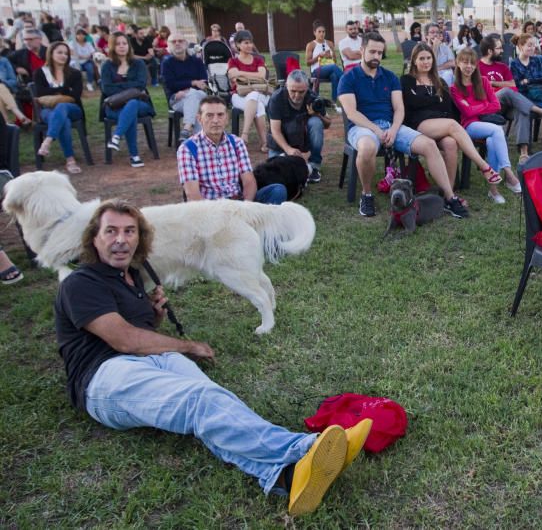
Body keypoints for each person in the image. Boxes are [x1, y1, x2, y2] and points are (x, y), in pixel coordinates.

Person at [54, 200, 371, 516]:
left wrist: (154, 315)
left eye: (129, 231)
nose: (121, 239)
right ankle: (305, 448)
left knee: (213, 406)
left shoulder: (132, 279)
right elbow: (125, 340)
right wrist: (186, 346)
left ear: (140, 238)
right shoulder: (80, 282)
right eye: (111, 231)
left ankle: (286, 478)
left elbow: (141, 332)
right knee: (199, 400)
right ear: (93, 239)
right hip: (104, 378)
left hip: (151, 359)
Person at [337, 31, 470, 218]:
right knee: (366, 147)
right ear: (362, 50)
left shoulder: (390, 77)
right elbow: (352, 113)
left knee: (429, 145)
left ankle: (449, 197)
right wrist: (376, 129)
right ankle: (366, 195)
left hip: (392, 126)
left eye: (379, 53)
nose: (376, 57)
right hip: (362, 127)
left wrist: (392, 129)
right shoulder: (348, 78)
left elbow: (399, 109)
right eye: (372, 52)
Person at [401, 42, 503, 191]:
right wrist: (436, 99)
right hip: (419, 124)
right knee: (452, 125)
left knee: (450, 143)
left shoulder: (439, 82)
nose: (426, 62)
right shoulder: (407, 80)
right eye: (421, 58)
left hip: (441, 124)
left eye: (429, 58)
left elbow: (447, 108)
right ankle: (484, 167)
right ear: (414, 61)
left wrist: (431, 101)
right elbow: (412, 103)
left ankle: (448, 191)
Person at [178, 96, 287, 203]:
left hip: (238, 204)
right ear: (199, 119)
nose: (215, 120)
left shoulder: (237, 143)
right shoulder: (187, 149)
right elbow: (193, 195)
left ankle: (250, 219)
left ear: (226, 118)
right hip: (210, 209)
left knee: (277, 191)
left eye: (220, 115)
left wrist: (246, 207)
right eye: (209, 115)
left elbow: (249, 181)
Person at [450, 48, 522, 203]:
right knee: (497, 131)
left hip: (487, 123)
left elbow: (496, 105)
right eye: (464, 62)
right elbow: (467, 114)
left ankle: (493, 191)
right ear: (457, 63)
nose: (468, 66)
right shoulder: (455, 88)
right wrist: (484, 104)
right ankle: (509, 173)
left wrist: (474, 106)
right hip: (469, 126)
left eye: (472, 63)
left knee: (492, 140)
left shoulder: (483, 81)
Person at [478, 34, 542, 164]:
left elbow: (513, 84)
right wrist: (499, 85)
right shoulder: (478, 67)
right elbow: (483, 86)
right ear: (490, 51)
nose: (502, 51)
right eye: (499, 48)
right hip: (490, 104)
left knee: (522, 110)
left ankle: (524, 153)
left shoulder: (502, 67)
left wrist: (493, 83)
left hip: (509, 104)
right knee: (506, 91)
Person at [267, 70, 330, 184]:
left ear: (307, 87)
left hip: (302, 140)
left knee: (316, 122)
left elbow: (328, 123)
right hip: (281, 143)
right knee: (274, 170)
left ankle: (314, 165)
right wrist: (288, 149)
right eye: (293, 91)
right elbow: (275, 131)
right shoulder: (276, 99)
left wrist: (317, 115)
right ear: (286, 86)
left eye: (301, 91)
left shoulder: (312, 98)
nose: (297, 95)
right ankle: (291, 160)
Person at [101, 32, 154, 168]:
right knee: (131, 111)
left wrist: (120, 89)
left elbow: (141, 84)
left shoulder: (138, 63)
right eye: (118, 44)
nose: (122, 46)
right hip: (114, 107)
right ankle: (134, 155)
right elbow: (107, 88)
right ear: (112, 46)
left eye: (124, 43)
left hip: (141, 104)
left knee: (132, 104)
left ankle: (117, 136)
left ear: (129, 46)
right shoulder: (107, 66)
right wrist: (130, 89)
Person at [34, 40, 85, 173]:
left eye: (66, 53)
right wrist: (64, 89)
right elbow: (40, 92)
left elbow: (76, 95)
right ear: (51, 54)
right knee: (64, 121)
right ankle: (70, 160)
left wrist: (56, 91)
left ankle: (48, 140)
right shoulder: (40, 72)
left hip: (72, 108)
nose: (63, 56)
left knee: (62, 107)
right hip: (47, 110)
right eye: (59, 52)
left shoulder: (74, 73)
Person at [228, 29, 270, 152]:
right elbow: (233, 77)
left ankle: (244, 134)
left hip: (260, 93)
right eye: (246, 43)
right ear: (237, 45)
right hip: (239, 96)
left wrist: (241, 73)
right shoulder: (233, 61)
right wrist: (253, 75)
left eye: (250, 42)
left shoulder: (258, 60)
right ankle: (265, 143)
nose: (249, 45)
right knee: (259, 105)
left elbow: (262, 76)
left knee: (254, 94)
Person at [304, 21, 343, 92]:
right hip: (317, 71)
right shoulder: (311, 44)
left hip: (329, 69)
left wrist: (331, 57)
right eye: (319, 32)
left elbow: (335, 61)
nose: (322, 34)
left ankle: (334, 101)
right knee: (333, 67)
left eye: (323, 32)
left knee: (334, 76)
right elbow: (308, 63)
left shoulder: (330, 43)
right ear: (314, 33)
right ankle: (347, 80)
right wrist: (319, 56)